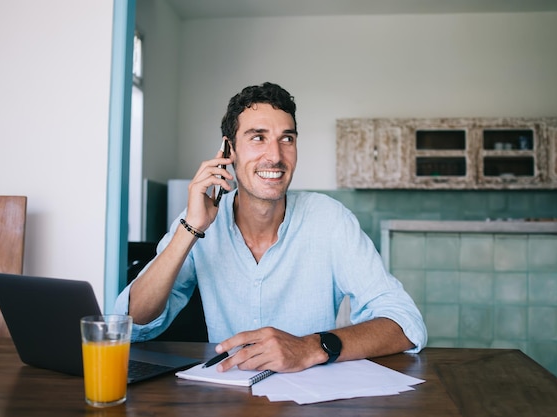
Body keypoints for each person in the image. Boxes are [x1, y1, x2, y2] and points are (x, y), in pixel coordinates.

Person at [115, 82, 426, 373]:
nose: (275, 156)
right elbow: (131, 323)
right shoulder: (197, 220)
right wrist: (191, 228)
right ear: (228, 150)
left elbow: (405, 323)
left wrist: (310, 347)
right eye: (258, 137)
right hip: (226, 398)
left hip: (312, 402)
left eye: (286, 139)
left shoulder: (330, 219)